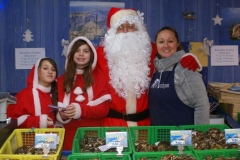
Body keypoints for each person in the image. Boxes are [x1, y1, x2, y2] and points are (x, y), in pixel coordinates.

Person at [96, 7, 202, 127]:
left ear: (138, 28)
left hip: (145, 126)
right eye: (120, 27)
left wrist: (187, 57)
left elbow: (169, 50)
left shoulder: (149, 49)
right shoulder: (100, 54)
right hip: (113, 127)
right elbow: (80, 65)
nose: (125, 30)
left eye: (130, 25)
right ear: (113, 32)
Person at [56, 36, 111, 150]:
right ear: (71, 54)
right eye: (77, 51)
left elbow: (104, 109)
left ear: (91, 55)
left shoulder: (99, 77)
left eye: (85, 51)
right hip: (68, 137)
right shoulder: (61, 80)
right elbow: (54, 110)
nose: (81, 54)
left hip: (93, 135)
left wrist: (80, 110)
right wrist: (62, 115)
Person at [148, 26, 210, 125]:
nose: (166, 45)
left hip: (183, 138)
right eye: (161, 42)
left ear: (177, 44)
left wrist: (199, 136)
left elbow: (201, 104)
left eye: (170, 41)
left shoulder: (185, 68)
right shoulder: (155, 70)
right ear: (156, 46)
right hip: (158, 136)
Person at [7, 58, 58, 128]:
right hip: (28, 138)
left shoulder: (57, 94)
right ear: (37, 71)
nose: (50, 72)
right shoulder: (24, 95)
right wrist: (38, 121)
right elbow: (12, 122)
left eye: (53, 69)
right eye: (45, 68)